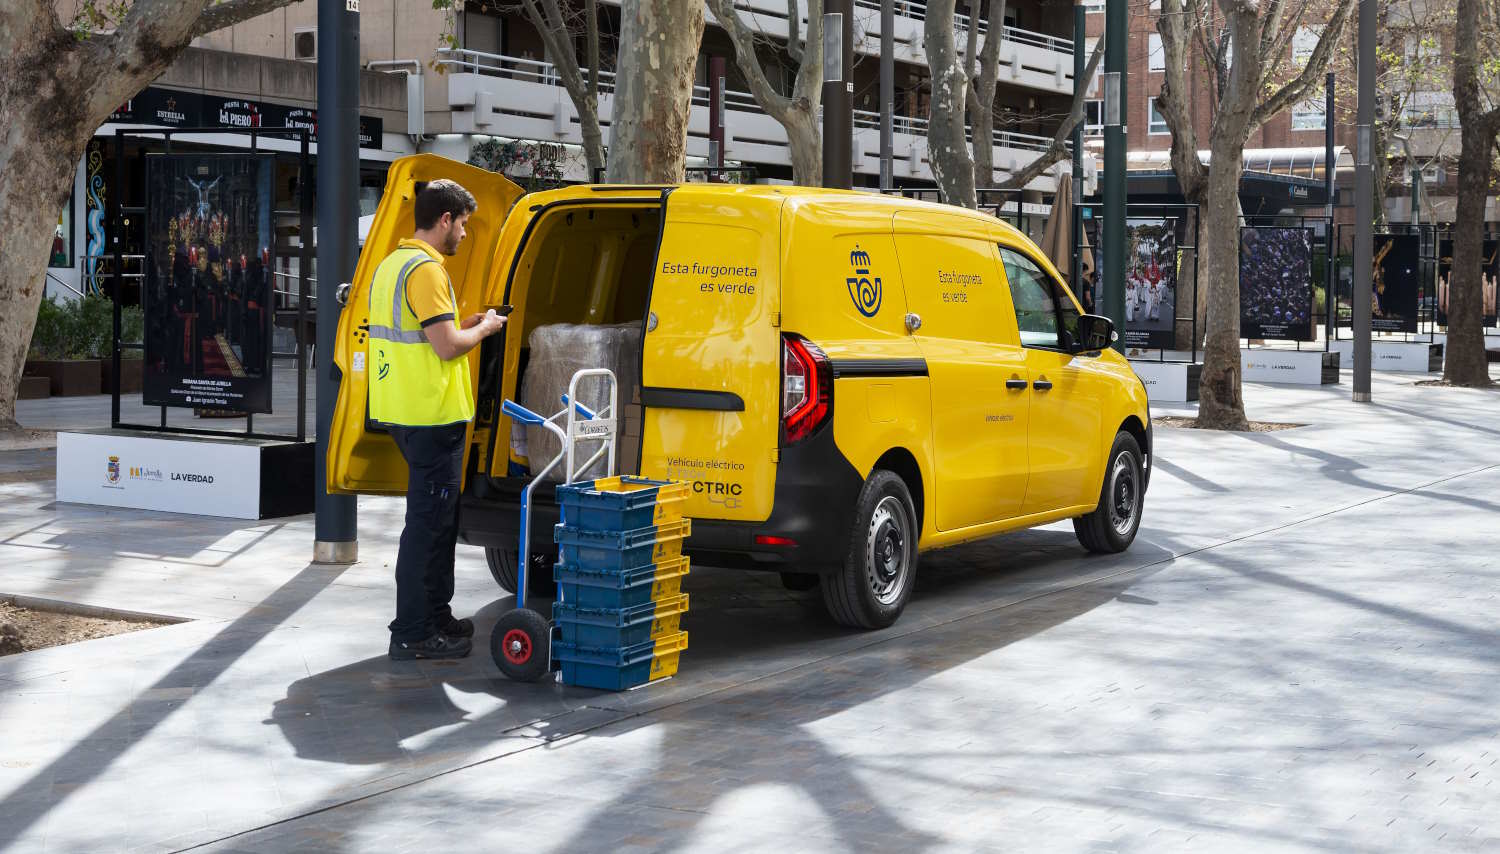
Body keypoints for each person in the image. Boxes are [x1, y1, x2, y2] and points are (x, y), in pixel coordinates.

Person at [368, 179, 507, 660]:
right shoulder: (427, 271)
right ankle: (412, 631)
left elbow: (430, 334)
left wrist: (461, 324)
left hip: (404, 412)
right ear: (445, 219)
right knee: (428, 526)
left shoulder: (391, 264)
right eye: (464, 224)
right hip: (430, 416)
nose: (465, 234)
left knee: (437, 522)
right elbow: (446, 347)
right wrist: (486, 328)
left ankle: (434, 616)